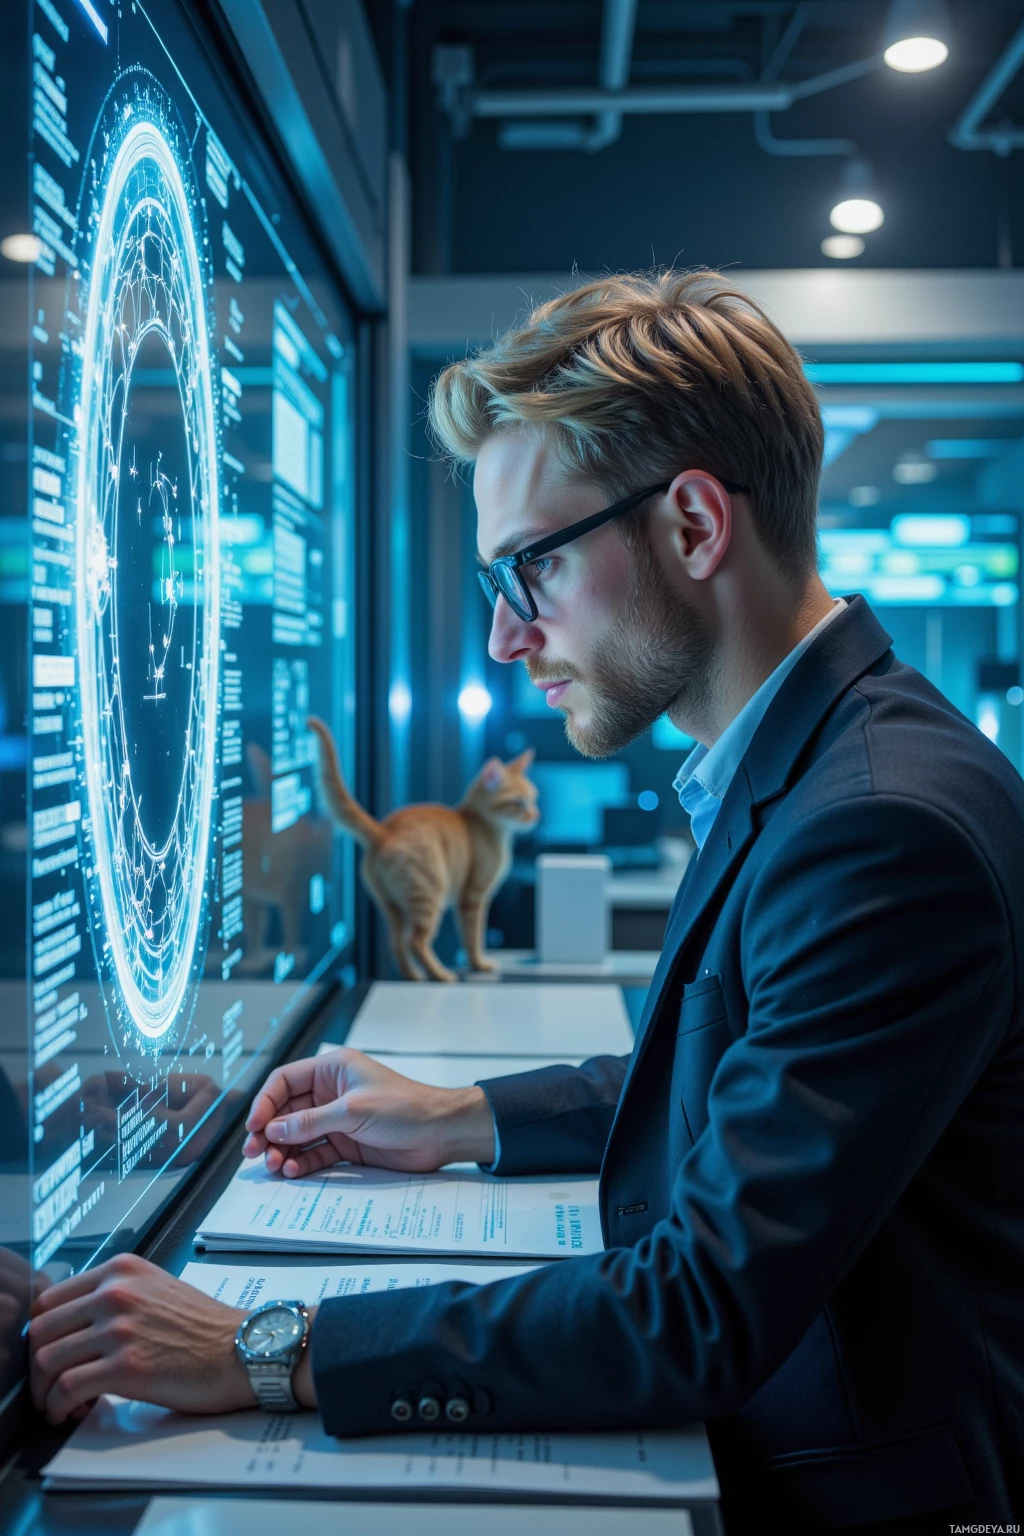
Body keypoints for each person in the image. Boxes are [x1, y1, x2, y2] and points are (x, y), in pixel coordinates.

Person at [29, 271, 1024, 1533]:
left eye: (529, 572)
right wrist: (460, 1115)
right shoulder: (827, 762)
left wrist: (266, 1351)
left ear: (693, 528)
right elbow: (757, 1070)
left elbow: (697, 1310)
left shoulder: (881, 827)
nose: (508, 640)